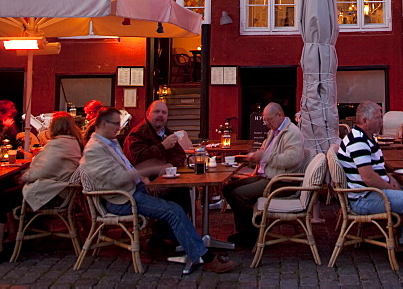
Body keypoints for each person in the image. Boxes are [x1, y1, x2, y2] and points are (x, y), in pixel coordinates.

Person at [81, 107, 235, 274]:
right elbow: (114, 180)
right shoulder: (96, 149)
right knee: (173, 211)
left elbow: (178, 155)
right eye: (116, 124)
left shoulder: (108, 143)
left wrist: (144, 176)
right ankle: (206, 258)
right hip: (121, 199)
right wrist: (143, 171)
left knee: (180, 194)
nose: (119, 128)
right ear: (103, 123)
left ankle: (165, 239)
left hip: (134, 190)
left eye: (120, 124)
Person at [337, 101, 403, 272]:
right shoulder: (358, 142)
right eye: (378, 117)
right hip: (364, 198)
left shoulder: (367, 137)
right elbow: (368, 177)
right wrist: (392, 188)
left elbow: (374, 168)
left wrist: (388, 176)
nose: (382, 120)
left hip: (370, 192)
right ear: (364, 120)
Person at [0, 112, 85, 264]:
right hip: (61, 190)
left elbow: (42, 170)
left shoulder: (59, 144)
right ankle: (12, 235)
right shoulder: (73, 143)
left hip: (52, 193)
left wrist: (24, 177)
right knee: (5, 192)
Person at [222, 102, 306, 248]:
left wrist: (265, 157)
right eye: (264, 120)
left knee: (239, 194)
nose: (266, 123)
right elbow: (265, 154)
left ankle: (252, 234)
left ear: (279, 115)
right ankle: (244, 230)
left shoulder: (292, 133)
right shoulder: (273, 132)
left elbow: (293, 159)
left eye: (269, 120)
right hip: (267, 175)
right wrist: (256, 157)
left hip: (281, 181)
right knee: (228, 189)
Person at [124, 100, 194, 215]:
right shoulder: (138, 134)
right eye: (156, 112)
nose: (160, 115)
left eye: (164, 112)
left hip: (165, 180)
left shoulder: (166, 132)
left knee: (183, 189)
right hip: (144, 184)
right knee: (180, 193)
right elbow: (138, 158)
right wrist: (162, 146)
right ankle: (168, 228)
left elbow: (179, 154)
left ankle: (174, 228)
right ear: (148, 114)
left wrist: (169, 165)